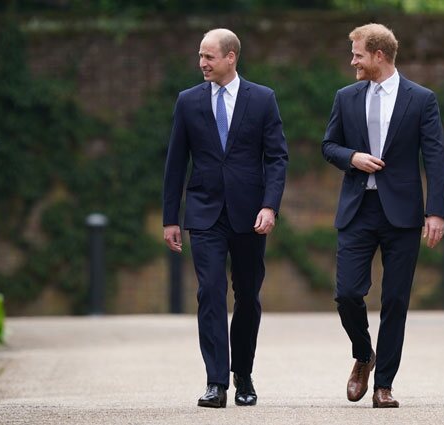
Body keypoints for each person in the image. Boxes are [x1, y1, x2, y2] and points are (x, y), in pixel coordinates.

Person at [321, 23, 444, 408]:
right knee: (346, 293)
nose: (352, 60)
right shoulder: (346, 97)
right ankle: (363, 354)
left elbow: (435, 157)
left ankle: (384, 386)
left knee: (395, 300)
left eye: (357, 54)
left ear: (379, 55)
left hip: (403, 214)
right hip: (358, 209)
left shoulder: (421, 99)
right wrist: (352, 157)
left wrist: (435, 212)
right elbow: (329, 145)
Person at [162, 28, 288, 408]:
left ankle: (243, 374)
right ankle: (216, 382)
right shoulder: (187, 101)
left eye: (209, 56)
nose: (201, 63)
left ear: (231, 57)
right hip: (204, 214)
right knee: (210, 293)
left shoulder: (262, 99)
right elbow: (175, 163)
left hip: (250, 214)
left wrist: (270, 205)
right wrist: (171, 217)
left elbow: (277, 157)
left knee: (247, 296)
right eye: (200, 56)